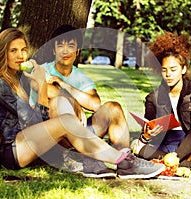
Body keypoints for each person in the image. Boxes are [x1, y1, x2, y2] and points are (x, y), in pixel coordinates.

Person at [0, 27, 165, 179]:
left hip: (28, 143)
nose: (20, 55)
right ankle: (125, 162)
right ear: (3, 53)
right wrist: (42, 85)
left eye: (22, 50)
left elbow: (39, 119)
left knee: (68, 120)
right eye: (13, 51)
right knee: (66, 121)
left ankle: (121, 160)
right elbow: (34, 121)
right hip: (10, 150)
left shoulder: (19, 77)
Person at [29, 25, 131, 176]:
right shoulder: (41, 70)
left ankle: (125, 160)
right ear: (53, 50)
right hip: (52, 134)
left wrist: (64, 85)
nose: (65, 51)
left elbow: (95, 104)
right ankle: (83, 156)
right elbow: (45, 90)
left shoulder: (82, 78)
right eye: (60, 45)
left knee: (113, 108)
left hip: (81, 132)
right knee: (56, 103)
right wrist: (73, 102)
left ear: (77, 51)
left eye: (71, 46)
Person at [131, 32, 191, 171]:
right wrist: (148, 133)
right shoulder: (153, 98)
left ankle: (173, 159)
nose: (168, 74)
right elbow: (149, 129)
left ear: (183, 69)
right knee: (137, 147)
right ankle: (184, 164)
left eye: (173, 69)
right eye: (164, 70)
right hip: (168, 142)